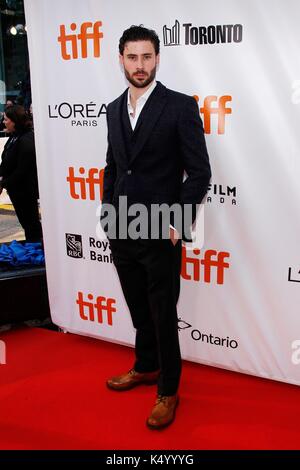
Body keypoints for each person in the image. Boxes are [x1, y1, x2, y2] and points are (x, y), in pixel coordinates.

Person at [101, 25, 211, 429]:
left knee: (163, 314)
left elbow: (199, 173)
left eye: (147, 57)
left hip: (160, 233)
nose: (140, 65)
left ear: (158, 58)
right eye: (133, 57)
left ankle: (169, 389)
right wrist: (107, 213)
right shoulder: (113, 109)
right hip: (122, 229)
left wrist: (177, 221)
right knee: (137, 308)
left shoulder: (180, 106)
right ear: (121, 60)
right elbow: (113, 166)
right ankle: (145, 366)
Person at [0, 104, 42, 242]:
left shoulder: (26, 139)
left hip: (25, 190)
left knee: (31, 223)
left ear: (15, 120)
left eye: (6, 119)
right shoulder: (14, 137)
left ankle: (36, 248)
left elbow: (23, 170)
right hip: (15, 189)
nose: (4, 122)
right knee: (26, 222)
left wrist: (4, 183)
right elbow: (6, 161)